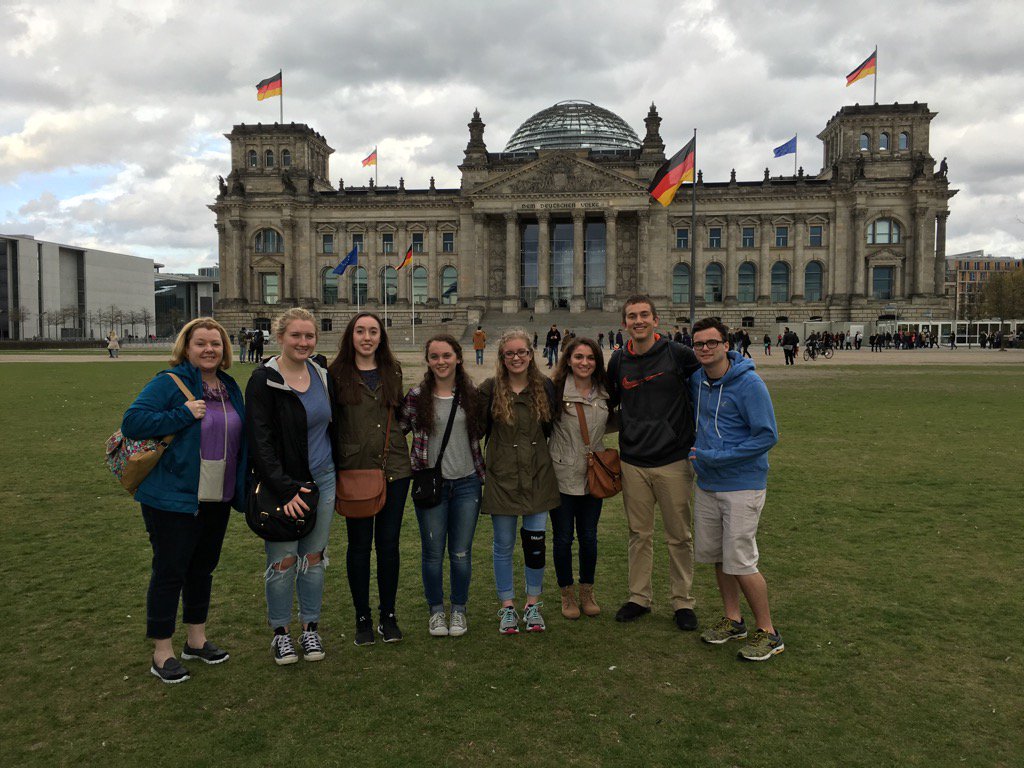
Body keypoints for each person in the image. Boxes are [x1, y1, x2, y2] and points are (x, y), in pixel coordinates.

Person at [121, 318, 246, 684]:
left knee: (202, 568)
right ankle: (162, 652)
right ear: (186, 348)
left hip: (216, 494)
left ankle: (196, 640)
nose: (209, 349)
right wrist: (183, 413)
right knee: (170, 570)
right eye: (201, 343)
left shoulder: (228, 386)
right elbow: (133, 422)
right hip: (173, 497)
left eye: (216, 344)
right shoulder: (169, 382)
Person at [246, 308, 338, 665]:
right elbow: (260, 443)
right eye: (296, 335)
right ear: (280, 336)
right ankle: (281, 633)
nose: (303, 342)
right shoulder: (263, 380)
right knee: (283, 561)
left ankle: (310, 627)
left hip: (323, 480)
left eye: (309, 335)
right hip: (282, 486)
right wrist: (285, 489)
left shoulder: (321, 374)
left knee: (313, 559)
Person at [688, 318, 783, 661]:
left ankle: (768, 632)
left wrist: (717, 457)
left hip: (742, 484)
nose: (705, 349)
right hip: (708, 484)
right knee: (718, 557)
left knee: (741, 560)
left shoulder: (749, 384)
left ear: (727, 345)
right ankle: (733, 620)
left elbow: (767, 435)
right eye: (699, 344)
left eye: (712, 342)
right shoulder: (697, 381)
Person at [607, 295, 700, 631]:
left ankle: (682, 601)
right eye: (632, 316)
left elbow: (708, 385)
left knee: (679, 536)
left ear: (656, 320)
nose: (639, 321)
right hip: (633, 460)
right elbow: (608, 402)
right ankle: (639, 597)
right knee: (639, 534)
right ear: (624, 324)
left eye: (644, 315)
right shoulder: (618, 360)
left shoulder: (679, 354)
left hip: (673, 459)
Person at [328, 312, 412, 645]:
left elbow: (400, 413)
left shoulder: (393, 370)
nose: (367, 337)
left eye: (373, 331)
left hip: (394, 468)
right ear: (351, 336)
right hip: (355, 468)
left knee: (389, 545)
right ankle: (362, 618)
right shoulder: (335, 374)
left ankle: (388, 615)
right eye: (360, 331)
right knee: (359, 546)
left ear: (381, 337)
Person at [400, 334, 484, 637]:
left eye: (446, 355)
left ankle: (458, 609)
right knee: (433, 553)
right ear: (427, 360)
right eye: (434, 356)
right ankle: (436, 611)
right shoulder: (416, 396)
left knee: (461, 553)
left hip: (467, 484)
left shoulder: (472, 394)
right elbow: (397, 432)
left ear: (458, 358)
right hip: (431, 485)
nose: (441, 361)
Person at [478, 328, 560, 634]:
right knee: (503, 545)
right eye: (510, 353)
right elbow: (477, 429)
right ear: (502, 357)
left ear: (531, 354)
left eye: (521, 352)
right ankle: (507, 606)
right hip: (503, 478)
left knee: (535, 545)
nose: (516, 358)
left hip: (538, 475)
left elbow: (550, 428)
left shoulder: (545, 387)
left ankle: (533, 605)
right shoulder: (489, 389)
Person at [548, 337, 615, 619]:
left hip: (592, 476)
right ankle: (567, 594)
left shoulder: (606, 392)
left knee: (589, 537)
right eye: (578, 357)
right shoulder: (554, 391)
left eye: (590, 358)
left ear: (597, 362)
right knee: (563, 538)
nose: (584, 363)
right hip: (561, 475)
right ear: (568, 360)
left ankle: (587, 591)